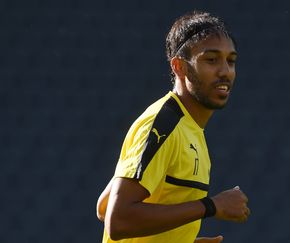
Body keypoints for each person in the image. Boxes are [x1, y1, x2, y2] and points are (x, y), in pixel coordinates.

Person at [96, 11, 250, 243]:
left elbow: (104, 206)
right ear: (179, 67)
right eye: (211, 59)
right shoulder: (163, 125)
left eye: (231, 61)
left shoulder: (191, 129)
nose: (225, 71)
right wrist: (211, 206)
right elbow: (118, 219)